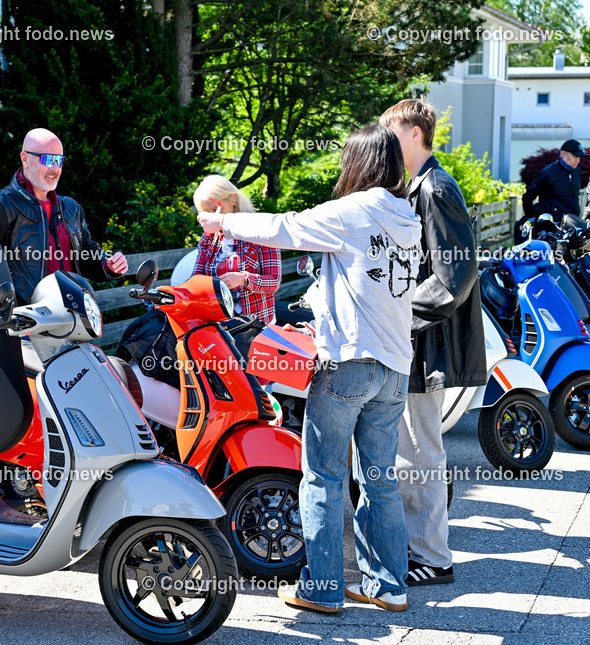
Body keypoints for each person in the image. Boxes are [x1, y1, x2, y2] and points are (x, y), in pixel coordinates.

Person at [198, 124, 422, 613]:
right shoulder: (408, 218)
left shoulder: (353, 211)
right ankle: (388, 588)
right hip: (394, 369)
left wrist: (223, 225)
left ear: (359, 163)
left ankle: (321, 588)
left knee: (321, 476)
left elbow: (285, 227)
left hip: (347, 364)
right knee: (379, 479)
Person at [380, 99, 486, 587]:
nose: (386, 142)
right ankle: (421, 548)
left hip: (428, 345)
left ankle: (433, 558)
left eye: (393, 132)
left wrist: (399, 318)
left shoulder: (437, 188)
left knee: (421, 453)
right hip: (422, 341)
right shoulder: (421, 185)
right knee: (413, 452)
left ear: (417, 132)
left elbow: (454, 275)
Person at [0, 128, 128, 305]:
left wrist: (107, 265)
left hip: (74, 314)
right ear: (25, 159)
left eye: (59, 160)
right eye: (47, 159)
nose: (54, 168)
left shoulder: (71, 208)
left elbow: (85, 255)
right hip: (28, 321)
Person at [191, 175, 281, 324]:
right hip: (219, 323)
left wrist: (243, 279)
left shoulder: (261, 232)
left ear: (233, 199)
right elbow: (196, 279)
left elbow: (274, 281)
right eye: (206, 213)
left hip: (256, 323)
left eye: (215, 210)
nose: (212, 217)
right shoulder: (208, 238)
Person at [521, 139, 588, 223]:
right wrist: (531, 220)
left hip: (572, 225)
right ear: (563, 153)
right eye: (575, 156)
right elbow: (527, 197)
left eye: (579, 157)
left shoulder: (577, 171)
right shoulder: (547, 173)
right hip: (551, 227)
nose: (578, 161)